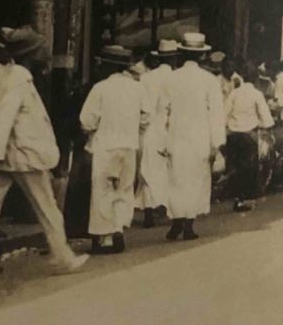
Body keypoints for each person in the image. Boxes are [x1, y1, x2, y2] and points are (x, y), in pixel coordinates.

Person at [0, 26, 88, 276]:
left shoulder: (2, 74)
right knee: (48, 209)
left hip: (5, 157)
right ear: (27, 55)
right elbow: (5, 118)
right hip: (23, 156)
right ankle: (63, 257)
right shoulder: (19, 77)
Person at [79, 45, 150, 254]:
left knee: (103, 190)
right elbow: (146, 116)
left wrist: (92, 130)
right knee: (124, 189)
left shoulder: (100, 88)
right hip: (129, 146)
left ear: (108, 66)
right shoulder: (137, 88)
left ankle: (105, 238)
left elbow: (86, 121)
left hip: (105, 147)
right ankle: (119, 227)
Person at [163, 32, 226, 241]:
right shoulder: (209, 80)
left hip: (176, 134)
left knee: (176, 179)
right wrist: (216, 144)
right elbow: (217, 113)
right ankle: (189, 224)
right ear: (201, 56)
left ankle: (176, 222)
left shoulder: (171, 78)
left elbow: (162, 111)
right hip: (200, 136)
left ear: (181, 53)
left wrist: (161, 140)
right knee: (197, 179)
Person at [136, 39, 177, 227]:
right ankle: (165, 206)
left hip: (147, 127)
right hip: (168, 127)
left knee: (147, 167)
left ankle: (148, 210)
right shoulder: (176, 79)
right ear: (174, 57)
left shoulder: (146, 78)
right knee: (167, 169)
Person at [224, 62, 274, 211]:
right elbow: (265, 116)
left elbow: (224, 114)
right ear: (256, 78)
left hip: (233, 135)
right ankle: (244, 198)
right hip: (249, 135)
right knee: (249, 168)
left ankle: (237, 197)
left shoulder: (234, 93)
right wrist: (268, 127)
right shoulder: (257, 94)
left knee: (235, 166)